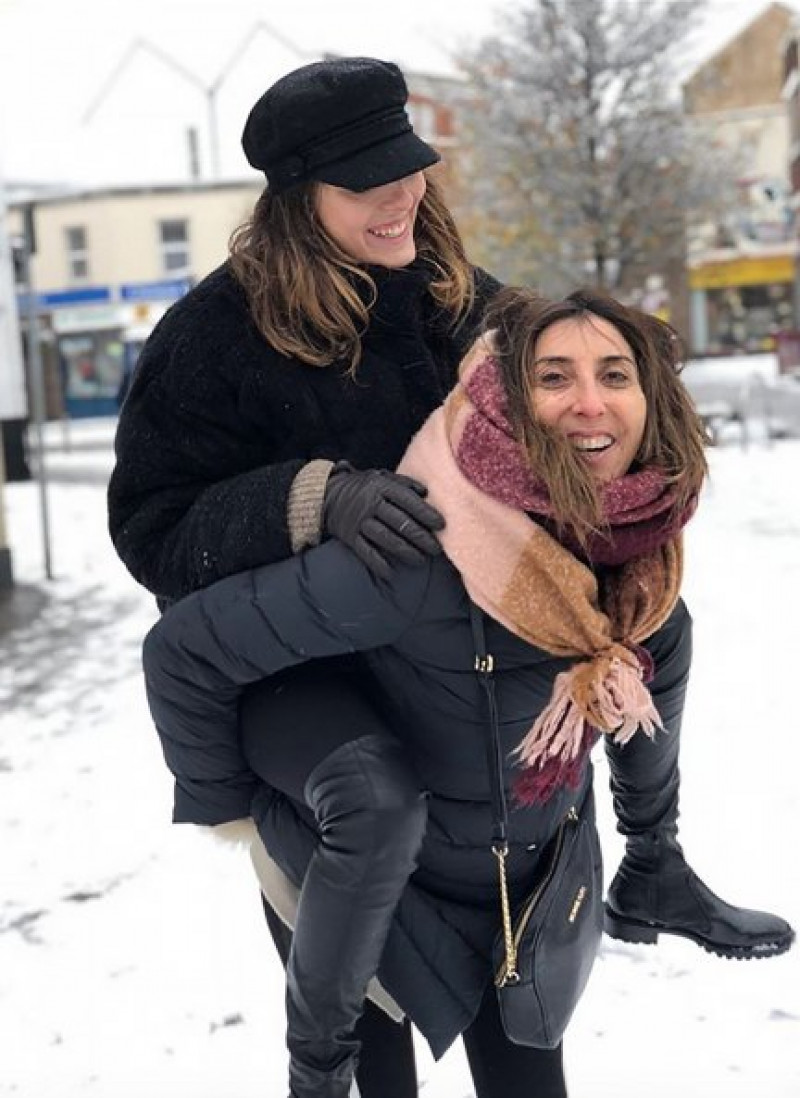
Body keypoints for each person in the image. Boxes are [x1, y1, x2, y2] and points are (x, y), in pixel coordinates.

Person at [107, 57, 793, 1097]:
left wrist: (622, 431)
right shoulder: (211, 338)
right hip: (319, 689)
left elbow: (569, 421)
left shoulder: (464, 304)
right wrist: (310, 499)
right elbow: (151, 533)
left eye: (409, 168)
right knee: (371, 1038)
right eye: (364, 181)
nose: (401, 197)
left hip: (471, 692)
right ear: (296, 197)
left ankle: (655, 859)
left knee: (658, 622)